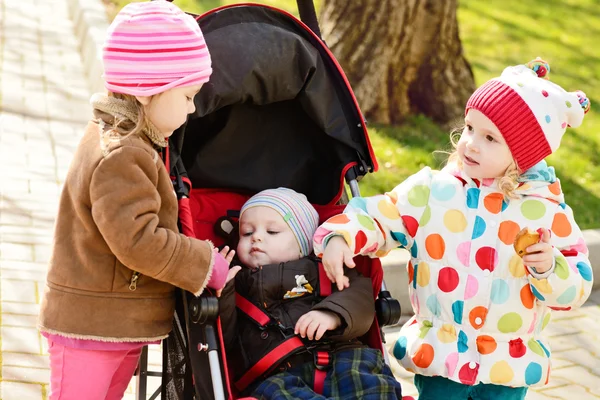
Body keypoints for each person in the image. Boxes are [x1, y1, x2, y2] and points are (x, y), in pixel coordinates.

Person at [314, 59, 593, 400]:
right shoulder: (434, 192)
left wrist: (549, 268)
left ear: (522, 155)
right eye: (470, 128)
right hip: (442, 357)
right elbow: (381, 214)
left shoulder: (546, 211)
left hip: (505, 367)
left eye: (490, 138)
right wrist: (341, 234)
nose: (471, 143)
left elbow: (576, 286)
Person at [37, 2, 230, 399]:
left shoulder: (133, 141)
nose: (193, 109)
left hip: (113, 324)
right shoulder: (122, 154)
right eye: (188, 96)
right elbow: (139, 241)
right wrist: (204, 262)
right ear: (147, 92)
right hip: (90, 327)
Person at [218, 187, 403, 399]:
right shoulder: (237, 282)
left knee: (373, 386)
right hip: (276, 373)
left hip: (343, 356)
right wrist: (222, 291)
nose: (256, 238)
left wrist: (332, 314)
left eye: (272, 232)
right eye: (247, 233)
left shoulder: (325, 268)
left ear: (302, 244)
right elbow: (226, 339)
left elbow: (359, 296)